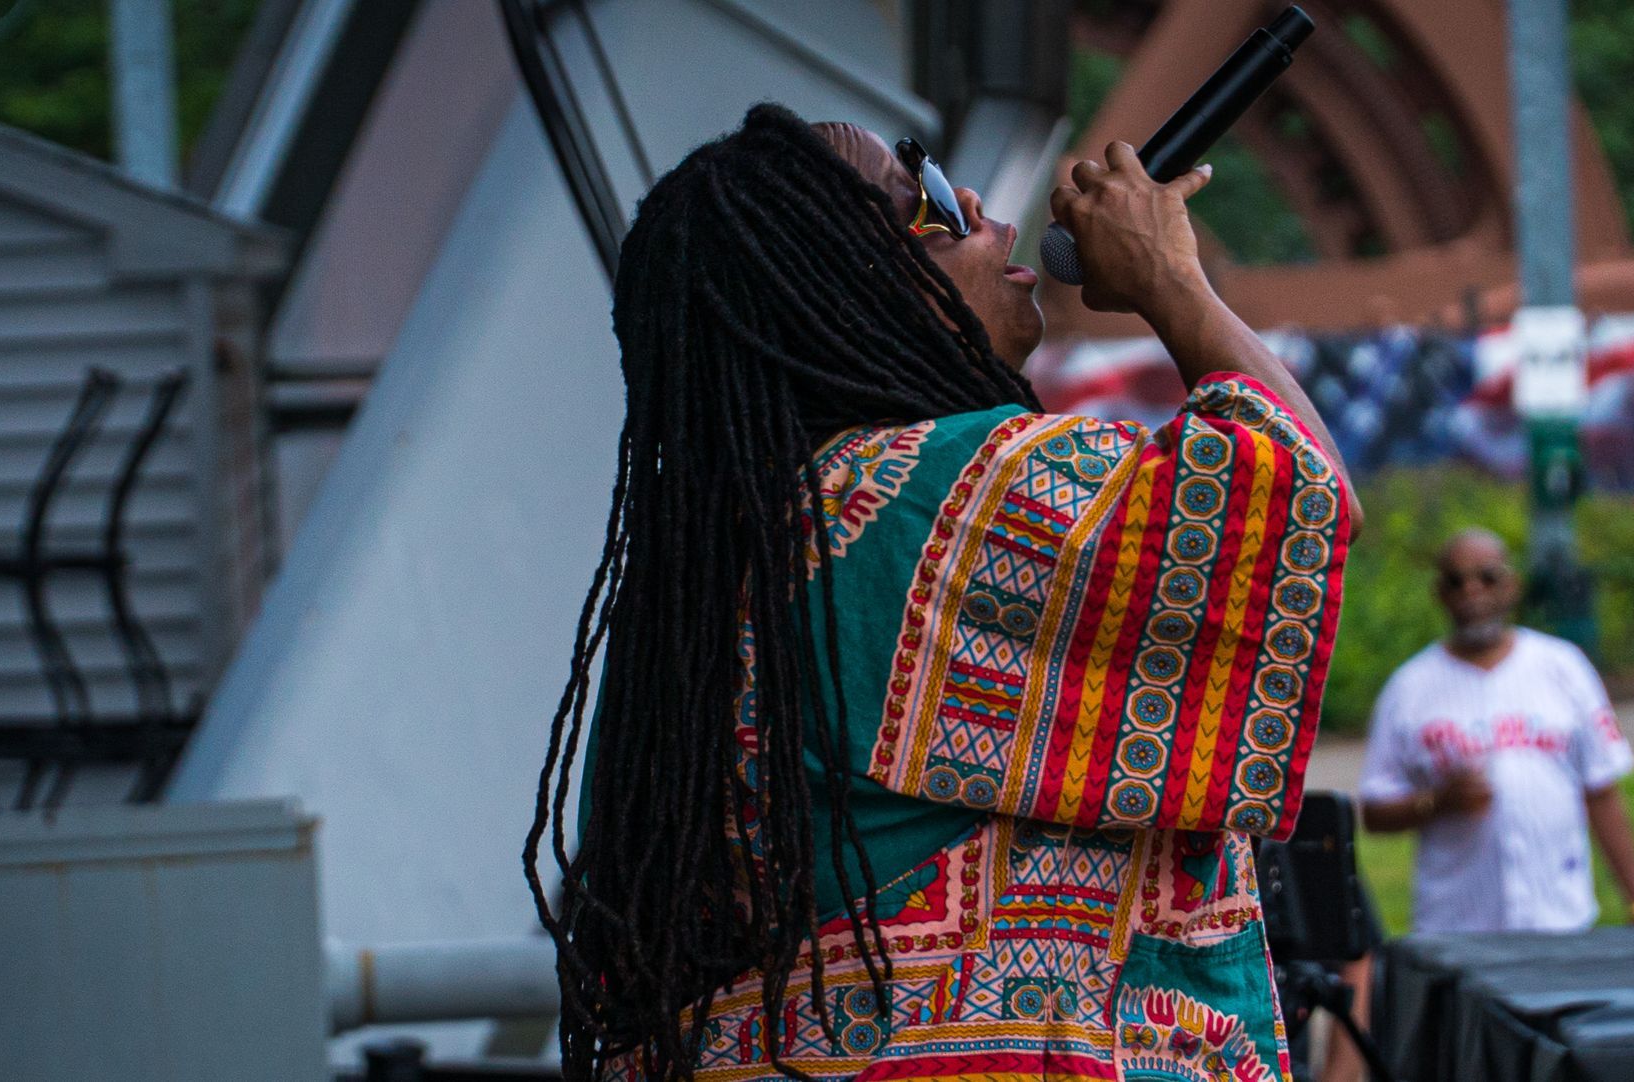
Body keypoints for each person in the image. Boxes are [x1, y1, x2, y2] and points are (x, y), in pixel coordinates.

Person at [525, 104, 1362, 1082]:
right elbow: (1292, 492)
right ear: (847, 278)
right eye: (922, 201)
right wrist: (1170, 278)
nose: (975, 207)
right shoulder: (956, 493)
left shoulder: (706, 572)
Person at [1358, 528, 1634, 933]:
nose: (1472, 590)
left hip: (1559, 921)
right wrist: (1437, 801)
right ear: (1440, 593)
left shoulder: (1563, 666)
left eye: (1487, 577)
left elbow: (1601, 788)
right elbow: (1374, 810)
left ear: (1512, 585)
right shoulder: (1409, 687)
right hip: (1456, 928)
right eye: (1455, 581)